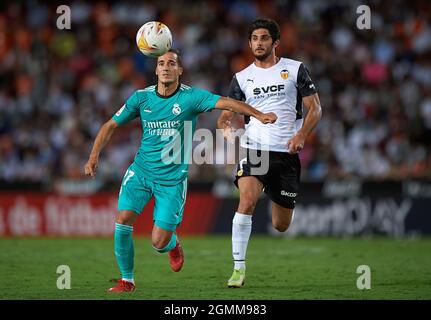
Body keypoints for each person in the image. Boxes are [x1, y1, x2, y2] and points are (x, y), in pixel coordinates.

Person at [84, 49, 277, 293]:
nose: (166, 67)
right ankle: (127, 280)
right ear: (155, 70)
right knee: (122, 220)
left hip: (172, 182)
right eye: (161, 63)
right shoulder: (141, 98)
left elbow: (227, 103)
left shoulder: (191, 97)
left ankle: (173, 244)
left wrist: (258, 115)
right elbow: (110, 124)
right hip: (140, 172)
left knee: (158, 242)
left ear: (179, 70)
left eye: (171, 64)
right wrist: (93, 156)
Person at [217, 19, 322, 288]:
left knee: (281, 225)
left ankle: (274, 194)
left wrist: (301, 136)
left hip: (286, 156)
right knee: (247, 201)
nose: (259, 43)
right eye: (254, 38)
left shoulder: (295, 69)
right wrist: (226, 129)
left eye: (264, 38)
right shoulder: (241, 78)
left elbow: (316, 109)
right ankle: (238, 269)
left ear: (275, 42)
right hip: (256, 152)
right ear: (250, 42)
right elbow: (225, 117)